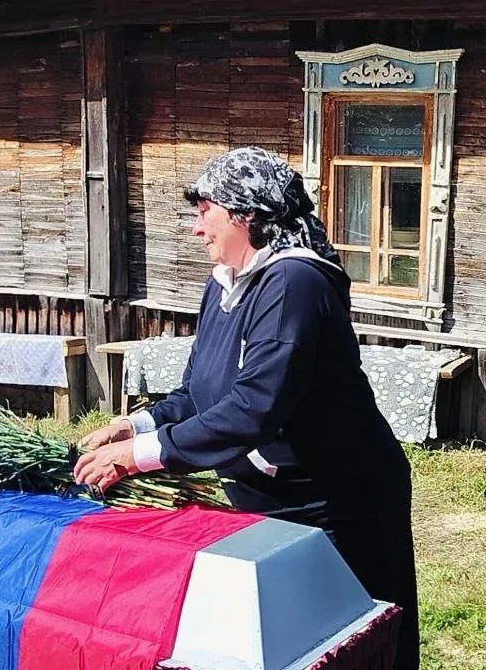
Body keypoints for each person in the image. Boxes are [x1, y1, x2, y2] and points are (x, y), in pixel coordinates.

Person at [73, 147, 420, 669]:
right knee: (288, 640)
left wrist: (138, 457)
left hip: (339, 503)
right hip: (272, 499)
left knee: (350, 641)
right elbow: (198, 392)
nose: (197, 228)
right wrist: (133, 425)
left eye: (205, 211)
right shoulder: (224, 286)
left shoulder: (294, 283)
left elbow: (254, 407)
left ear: (245, 213)